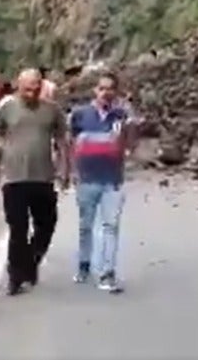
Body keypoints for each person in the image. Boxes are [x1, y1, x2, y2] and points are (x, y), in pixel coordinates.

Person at [0, 69, 71, 295]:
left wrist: (65, 168)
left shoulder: (51, 110)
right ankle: (15, 277)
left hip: (43, 178)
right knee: (18, 228)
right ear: (17, 86)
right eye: (27, 89)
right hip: (14, 178)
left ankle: (31, 261)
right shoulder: (7, 107)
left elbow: (62, 140)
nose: (32, 93)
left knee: (47, 224)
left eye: (36, 88)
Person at [68, 73, 142, 293]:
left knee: (111, 226)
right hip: (86, 178)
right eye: (101, 88)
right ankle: (84, 265)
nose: (105, 92)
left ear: (116, 92)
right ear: (95, 90)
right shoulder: (80, 115)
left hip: (112, 180)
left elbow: (132, 144)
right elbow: (70, 144)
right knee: (85, 226)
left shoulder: (121, 116)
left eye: (110, 88)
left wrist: (132, 125)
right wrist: (72, 171)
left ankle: (107, 273)